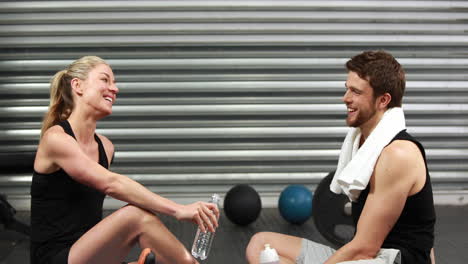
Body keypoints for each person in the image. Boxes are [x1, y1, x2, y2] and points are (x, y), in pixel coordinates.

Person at [245, 51, 436, 264]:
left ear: (383, 100)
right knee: (260, 245)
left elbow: (364, 248)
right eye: (347, 89)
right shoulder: (364, 145)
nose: (345, 98)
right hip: (367, 256)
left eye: (355, 91)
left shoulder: (398, 154)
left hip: (390, 260)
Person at [30, 56, 219, 264]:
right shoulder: (56, 139)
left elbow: (88, 228)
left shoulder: (106, 147)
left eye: (115, 83)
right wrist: (179, 209)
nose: (115, 89)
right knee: (135, 215)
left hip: (85, 253)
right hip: (54, 259)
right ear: (78, 85)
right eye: (105, 80)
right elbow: (112, 184)